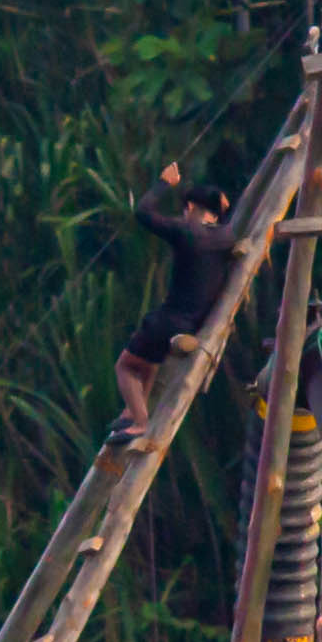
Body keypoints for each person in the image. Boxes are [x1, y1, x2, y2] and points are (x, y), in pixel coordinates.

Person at [113, 162, 235, 444]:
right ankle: (132, 413)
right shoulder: (225, 237)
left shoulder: (187, 231)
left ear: (191, 207)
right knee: (149, 362)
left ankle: (140, 422)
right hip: (192, 321)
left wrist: (164, 184)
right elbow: (223, 215)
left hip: (169, 319)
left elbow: (143, 212)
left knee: (126, 367)